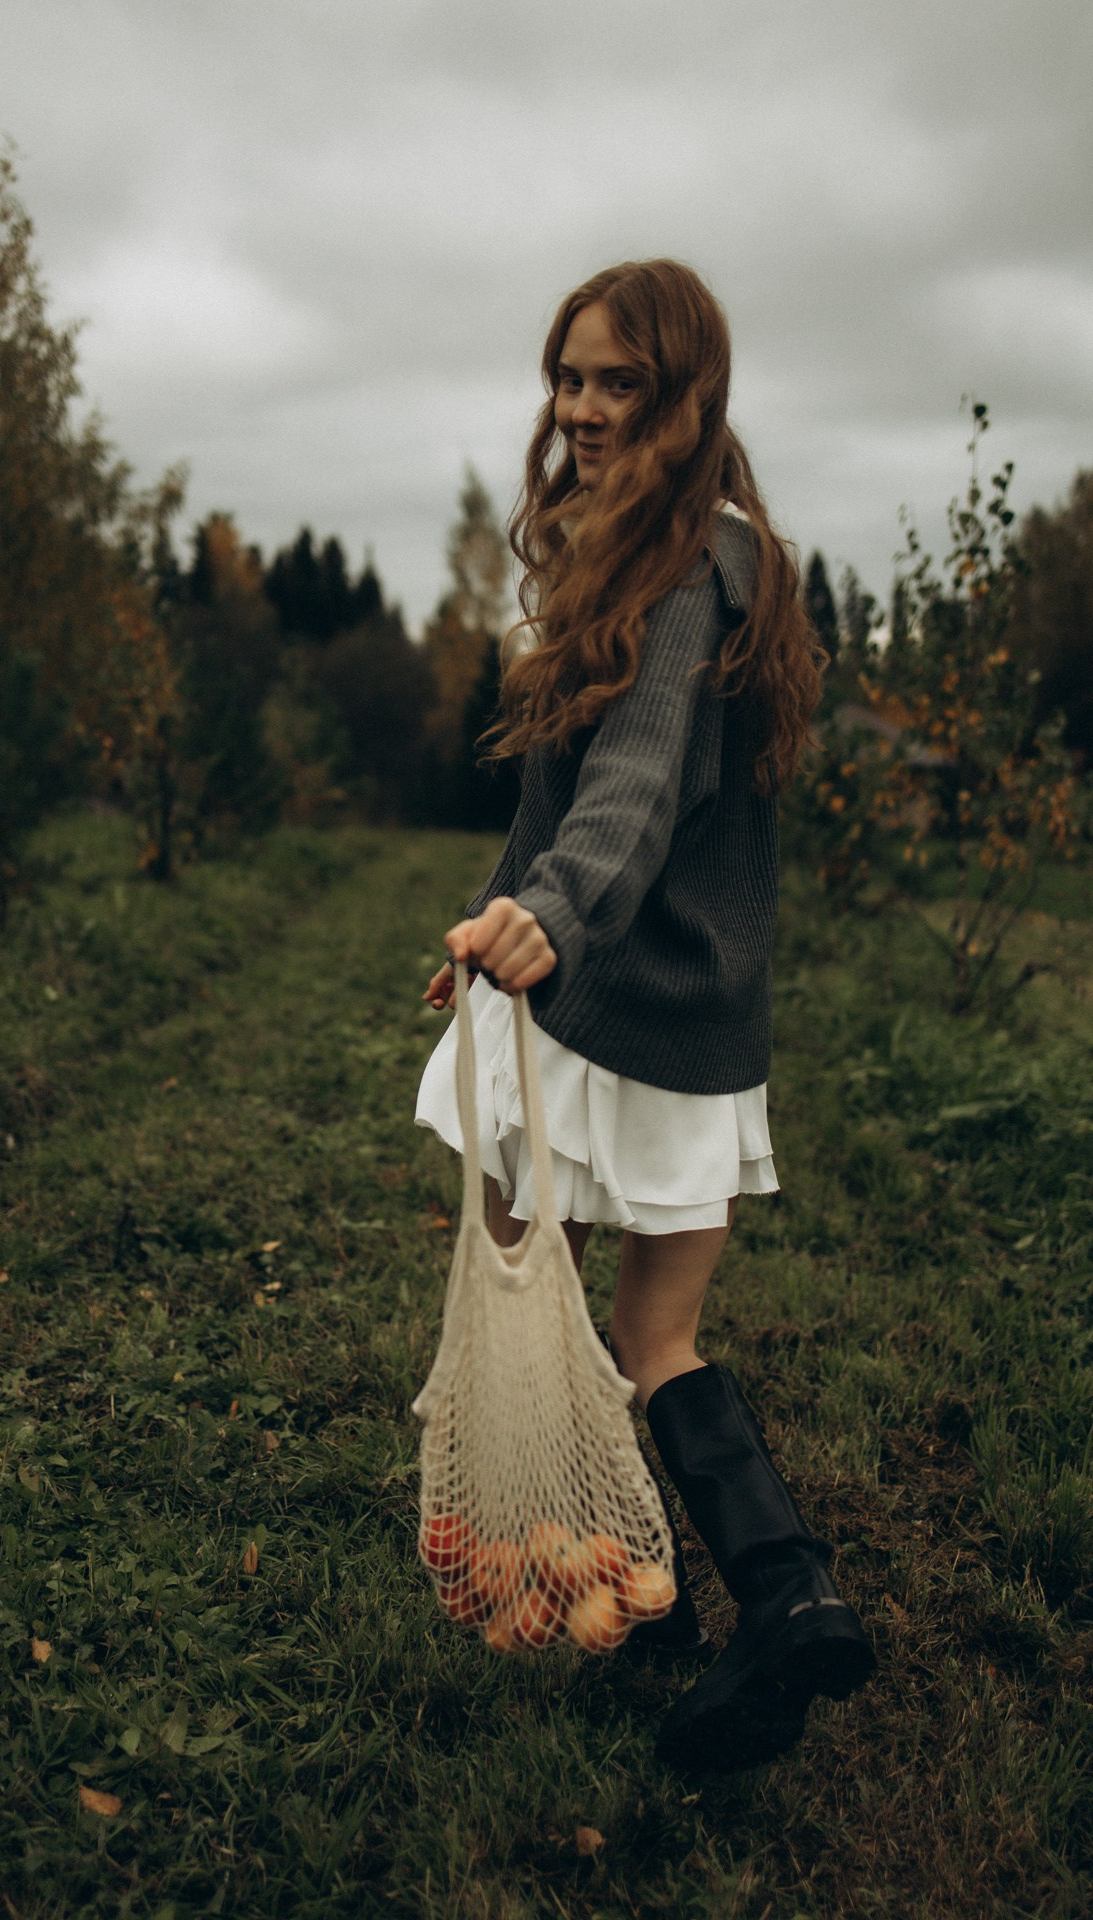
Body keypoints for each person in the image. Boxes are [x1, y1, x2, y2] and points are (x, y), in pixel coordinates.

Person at [414, 258, 875, 1768]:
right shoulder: (683, 556)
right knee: (649, 1332)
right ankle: (767, 1596)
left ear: (689, 399)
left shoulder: (686, 573)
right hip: (685, 1008)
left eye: (621, 383)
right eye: (570, 377)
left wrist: (543, 919)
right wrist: (499, 918)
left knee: (544, 1281)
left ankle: (583, 1552)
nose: (584, 409)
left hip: (613, 987)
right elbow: (576, 788)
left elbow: (631, 785)